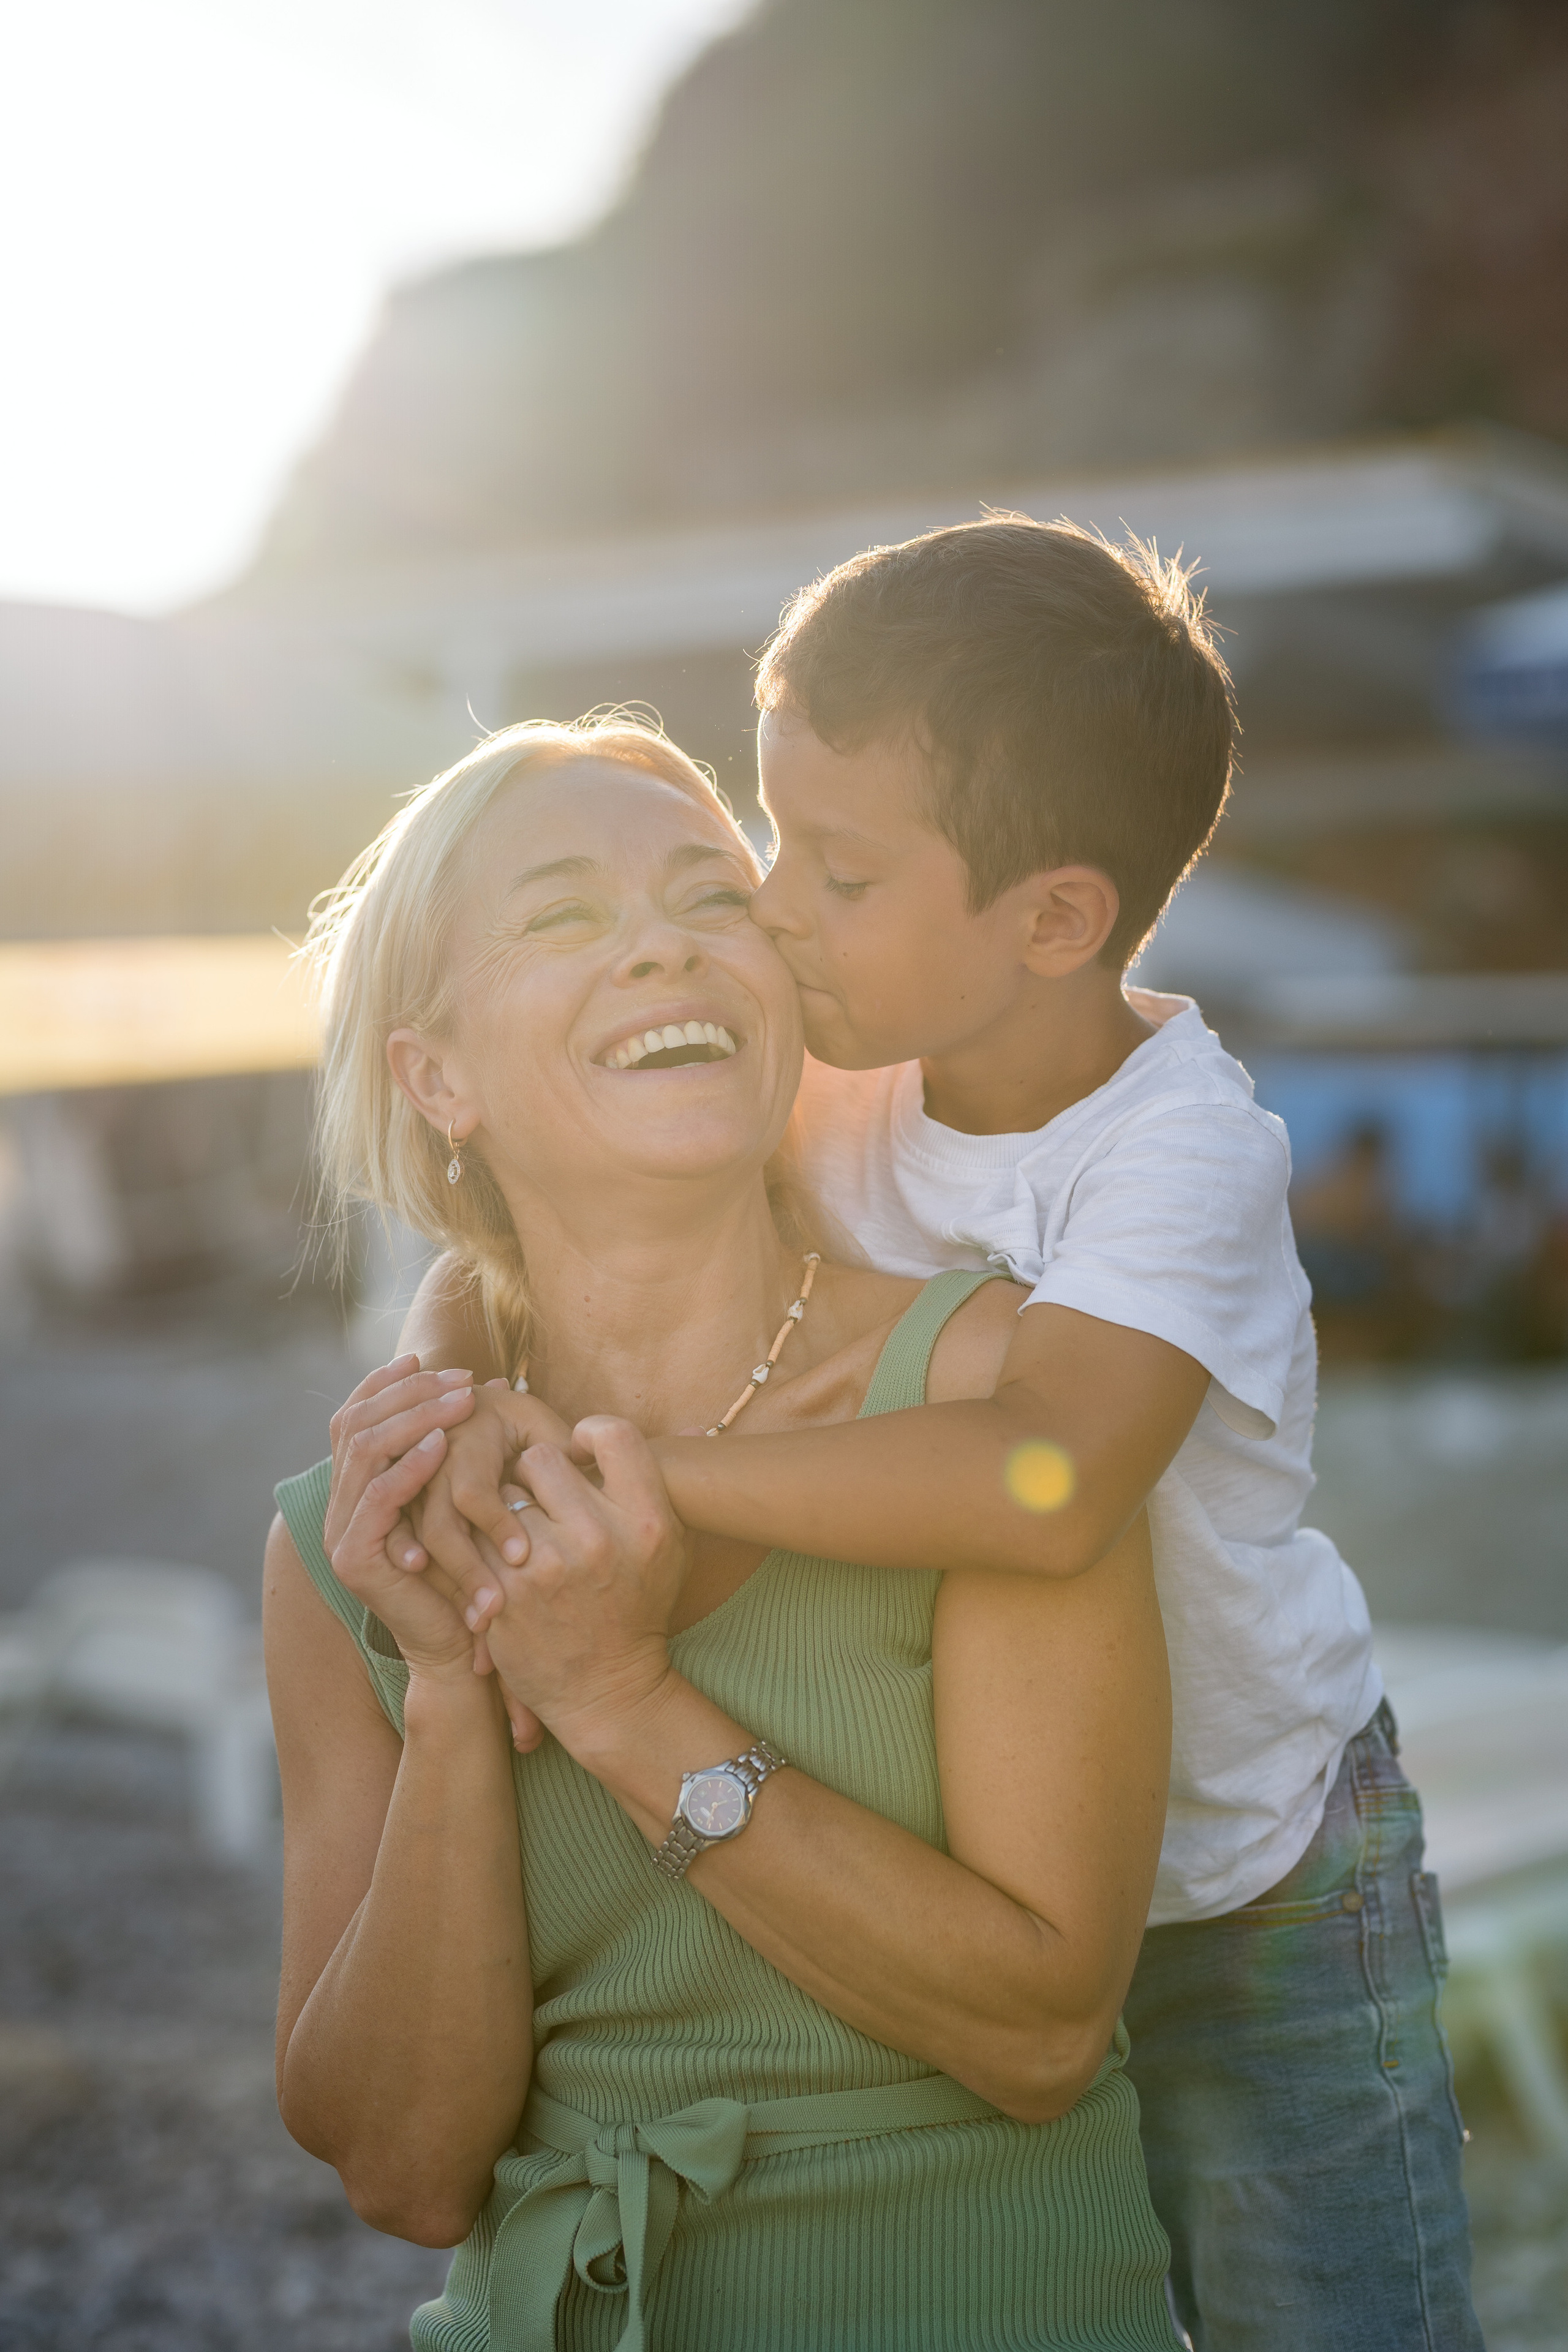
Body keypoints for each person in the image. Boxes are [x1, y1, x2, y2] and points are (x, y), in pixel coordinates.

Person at [405, 525, 1482, 2352]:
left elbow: (1041, 1478)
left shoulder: (1179, 1151)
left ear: (1055, 921)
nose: (766, 902)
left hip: (1250, 1881)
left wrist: (640, 1477)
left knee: (1330, 2319)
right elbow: (568, 1213)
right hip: (992, 1851)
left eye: (833, 868)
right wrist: (454, 1355)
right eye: (769, 834)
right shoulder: (840, 1059)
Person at [264, 718, 1178, 2352]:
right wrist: (457, 1682)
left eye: (713, 896)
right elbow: (404, 2175)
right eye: (562, 917)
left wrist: (617, 1704)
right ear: (436, 1077)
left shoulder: (985, 1406)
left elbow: (1042, 2033)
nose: (664, 943)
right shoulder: (359, 1539)